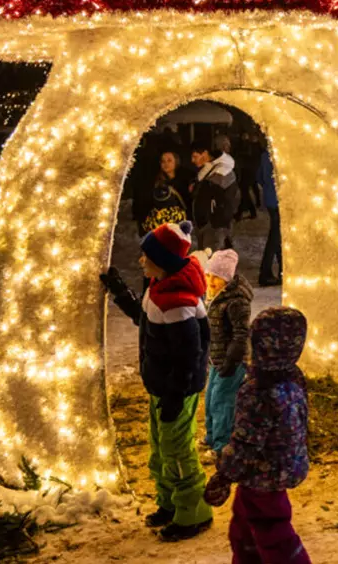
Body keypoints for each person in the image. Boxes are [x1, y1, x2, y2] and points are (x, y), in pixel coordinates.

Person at [100, 221, 213, 540]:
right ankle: (169, 502)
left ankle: (193, 510)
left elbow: (189, 356)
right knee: (161, 446)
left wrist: (176, 396)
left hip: (176, 388)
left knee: (176, 448)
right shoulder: (160, 287)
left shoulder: (179, 302)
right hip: (161, 384)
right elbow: (144, 319)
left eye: (146, 257)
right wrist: (120, 292)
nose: (140, 261)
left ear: (162, 262)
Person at [203, 307, 312, 564]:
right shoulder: (293, 377)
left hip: (262, 474)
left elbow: (245, 443)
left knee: (273, 531)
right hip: (281, 467)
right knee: (243, 525)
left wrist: (224, 474)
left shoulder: (259, 391)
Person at [204, 248, 252, 454]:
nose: (212, 281)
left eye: (218, 277)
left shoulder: (235, 301)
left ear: (228, 278)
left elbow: (240, 335)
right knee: (210, 398)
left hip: (231, 362)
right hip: (217, 359)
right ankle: (211, 435)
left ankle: (222, 444)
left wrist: (231, 361)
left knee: (222, 401)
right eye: (209, 275)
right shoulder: (215, 297)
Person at [191, 139, 239, 252]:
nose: (192, 160)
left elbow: (226, 200)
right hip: (206, 224)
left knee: (212, 263)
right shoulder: (208, 169)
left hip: (214, 226)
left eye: (195, 156)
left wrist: (215, 222)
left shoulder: (222, 172)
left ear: (205, 153)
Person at [135, 150, 188, 236]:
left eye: (169, 160)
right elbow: (145, 205)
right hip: (158, 228)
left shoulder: (185, 182)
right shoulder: (155, 183)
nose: (166, 164)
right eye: (163, 161)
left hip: (178, 229)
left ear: (176, 162)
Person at [255, 149, 283, 287]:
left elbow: (259, 177)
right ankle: (265, 273)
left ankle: (281, 270)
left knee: (277, 235)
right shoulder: (282, 156)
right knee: (275, 237)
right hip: (280, 200)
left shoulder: (265, 155)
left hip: (270, 200)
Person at [235, 133, 262, 222]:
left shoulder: (253, 147)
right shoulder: (253, 147)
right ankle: (243, 212)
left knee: (245, 192)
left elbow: (248, 158)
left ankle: (247, 211)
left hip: (248, 171)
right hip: (248, 171)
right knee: (245, 192)